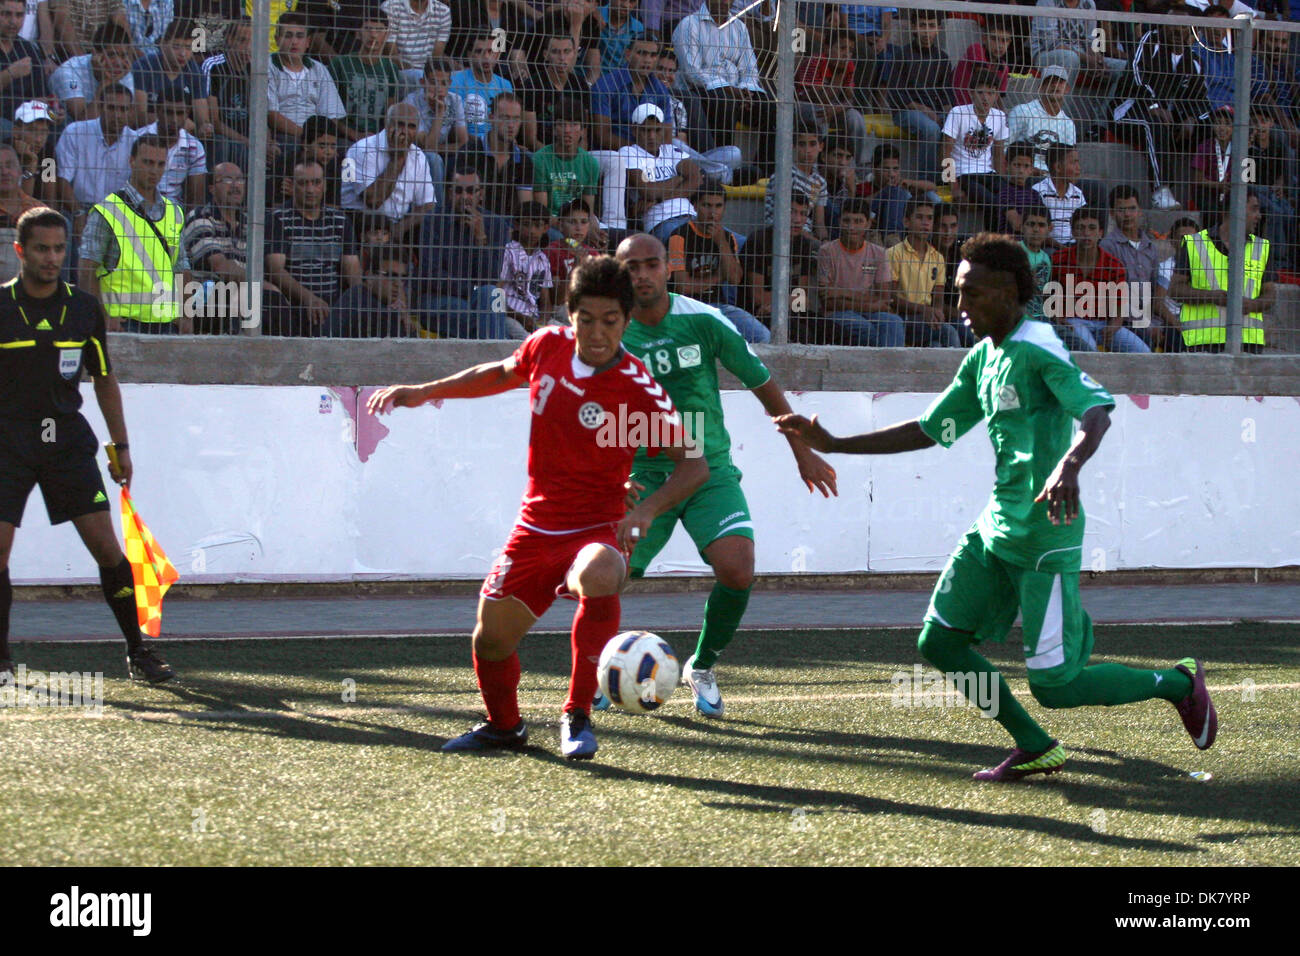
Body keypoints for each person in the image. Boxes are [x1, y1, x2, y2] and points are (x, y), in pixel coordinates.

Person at [776, 232, 1219, 782]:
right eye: (958, 294)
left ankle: (1176, 683)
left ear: (1009, 292)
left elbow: (1097, 412)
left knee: (1055, 687)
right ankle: (1034, 744)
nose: (960, 307)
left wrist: (1069, 466)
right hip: (995, 529)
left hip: (1044, 538)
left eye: (972, 294)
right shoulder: (983, 357)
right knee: (938, 640)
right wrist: (836, 442)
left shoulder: (1038, 347)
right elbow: (930, 429)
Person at [367, 255, 710, 759]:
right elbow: (500, 373)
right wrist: (423, 392)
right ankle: (504, 727)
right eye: (586, 319)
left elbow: (694, 465)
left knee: (600, 570)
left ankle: (577, 715)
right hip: (536, 524)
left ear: (626, 321)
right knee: (490, 640)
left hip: (597, 526)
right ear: (569, 315)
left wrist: (645, 511)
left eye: (610, 322)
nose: (597, 333)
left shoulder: (637, 388)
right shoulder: (546, 346)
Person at [612, 233, 837, 715]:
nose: (642, 275)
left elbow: (765, 388)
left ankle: (702, 665)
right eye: (632, 267)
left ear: (668, 267)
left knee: (738, 569)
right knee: (609, 575)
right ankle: (601, 669)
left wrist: (801, 452)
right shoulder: (610, 331)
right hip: (644, 473)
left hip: (709, 470)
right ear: (619, 272)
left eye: (651, 264)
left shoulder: (704, 320)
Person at [0, 207, 177, 683]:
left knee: (106, 548)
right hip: (7, 446)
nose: (52, 258)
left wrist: (121, 445)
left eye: (59, 248)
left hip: (66, 444)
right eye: (41, 248)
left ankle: (140, 652)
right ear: (20, 251)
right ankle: (2, 660)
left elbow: (103, 378)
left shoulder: (83, 308)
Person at [78, 133, 192, 334]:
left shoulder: (174, 212)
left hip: (166, 323)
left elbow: (181, 267)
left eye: (159, 164)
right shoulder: (107, 211)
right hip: (122, 323)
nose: (154, 170)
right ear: (131, 161)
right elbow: (86, 269)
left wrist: (186, 315)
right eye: (147, 162)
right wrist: (102, 316)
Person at [1112, 7, 1211, 211]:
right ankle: (1160, 190)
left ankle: (1208, 196)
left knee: (1209, 125)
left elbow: (1198, 98)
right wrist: (1153, 104)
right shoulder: (1150, 41)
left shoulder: (1194, 61)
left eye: (1183, 28)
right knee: (1153, 125)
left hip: (1167, 116)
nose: (1176, 31)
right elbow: (1135, 75)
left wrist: (1191, 118)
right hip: (1129, 109)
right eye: (1171, 26)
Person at [673, 0, 775, 172]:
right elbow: (692, 72)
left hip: (737, 91)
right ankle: (724, 168)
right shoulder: (689, 25)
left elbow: (750, 68)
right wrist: (727, 88)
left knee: (769, 104)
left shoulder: (740, 28)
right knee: (724, 100)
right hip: (702, 91)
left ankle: (764, 170)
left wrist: (745, 90)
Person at [265, 159, 361, 336]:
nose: (310, 190)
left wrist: (358, 300)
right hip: (294, 303)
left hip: (334, 304)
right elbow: (275, 270)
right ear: (292, 186)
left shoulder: (340, 221)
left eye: (316, 183)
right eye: (303, 183)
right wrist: (308, 298)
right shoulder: (278, 219)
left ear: (324, 186)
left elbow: (353, 272)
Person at [1169, 193, 1273, 353]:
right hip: (1203, 342)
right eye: (1254, 209)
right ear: (1235, 210)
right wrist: (1212, 297)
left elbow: (1270, 295)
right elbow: (1175, 290)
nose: (1259, 216)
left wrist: (1253, 305)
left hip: (1248, 343)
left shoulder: (1261, 248)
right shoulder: (1194, 244)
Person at [415, 165, 510, 338]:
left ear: (480, 194)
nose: (465, 197)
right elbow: (430, 275)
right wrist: (471, 289)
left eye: (471, 191)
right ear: (449, 192)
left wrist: (480, 237)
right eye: (459, 191)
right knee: (477, 315)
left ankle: (489, 354)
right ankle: (497, 353)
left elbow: (494, 277)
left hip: (480, 298)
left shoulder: (496, 225)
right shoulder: (433, 221)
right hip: (440, 298)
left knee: (492, 296)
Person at [665, 182, 767, 343]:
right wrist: (719, 277)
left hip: (718, 307)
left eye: (718, 206)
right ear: (696, 206)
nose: (713, 213)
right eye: (707, 205)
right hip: (686, 308)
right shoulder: (680, 236)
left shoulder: (727, 238)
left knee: (763, 337)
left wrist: (720, 243)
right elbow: (683, 286)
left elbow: (734, 279)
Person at [1050, 207, 1151, 352]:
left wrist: (1115, 324)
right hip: (1073, 321)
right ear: (1072, 232)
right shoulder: (1058, 260)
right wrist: (1056, 316)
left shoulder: (1114, 265)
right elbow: (1047, 295)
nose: (1086, 234)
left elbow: (1120, 305)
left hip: (1104, 323)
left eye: (1092, 228)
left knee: (1143, 353)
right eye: (1080, 228)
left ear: (1100, 233)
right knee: (1090, 351)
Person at [341, 102, 435, 245]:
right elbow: (373, 201)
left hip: (397, 224)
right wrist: (398, 159)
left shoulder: (419, 156)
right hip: (360, 222)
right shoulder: (359, 150)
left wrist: (399, 230)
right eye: (400, 124)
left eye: (411, 127)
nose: (404, 131)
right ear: (387, 123)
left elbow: (428, 204)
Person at [55, 81, 139, 237]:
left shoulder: (137, 141)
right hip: (80, 207)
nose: (118, 115)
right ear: (100, 106)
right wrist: (79, 213)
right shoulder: (75, 132)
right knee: (64, 225)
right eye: (112, 108)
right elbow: (62, 179)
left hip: (120, 212)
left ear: (131, 111)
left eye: (123, 109)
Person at [1100, 184, 1178, 351]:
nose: (1127, 215)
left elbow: (1154, 292)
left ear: (1140, 211)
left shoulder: (1150, 247)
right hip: (1124, 319)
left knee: (1179, 341)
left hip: (1149, 318)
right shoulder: (1108, 246)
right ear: (1112, 213)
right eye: (1121, 210)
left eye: (1132, 208)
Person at [818, 197, 905, 347]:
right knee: (866, 329)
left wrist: (841, 292)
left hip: (867, 311)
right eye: (847, 221)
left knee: (894, 322)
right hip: (839, 314)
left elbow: (884, 299)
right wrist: (870, 303)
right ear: (839, 221)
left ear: (868, 224)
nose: (851, 227)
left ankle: (892, 369)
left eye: (858, 221)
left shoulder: (878, 253)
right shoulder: (827, 251)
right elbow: (827, 301)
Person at [881, 8, 952, 184]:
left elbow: (946, 94)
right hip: (906, 112)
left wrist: (950, 116)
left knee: (956, 126)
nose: (926, 31)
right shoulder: (902, 54)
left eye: (931, 26)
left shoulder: (942, 58)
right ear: (913, 27)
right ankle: (926, 181)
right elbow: (896, 94)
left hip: (934, 112)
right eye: (922, 25)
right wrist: (923, 110)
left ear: (938, 28)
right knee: (930, 129)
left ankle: (950, 180)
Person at [742, 190, 820, 337]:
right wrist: (790, 299)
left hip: (788, 311)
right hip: (758, 313)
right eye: (792, 212)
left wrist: (778, 303)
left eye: (803, 214)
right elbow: (757, 297)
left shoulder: (804, 245)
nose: (797, 219)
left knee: (834, 330)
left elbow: (803, 299)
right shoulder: (759, 241)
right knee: (800, 333)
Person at [942, 68, 1008, 232]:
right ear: (971, 93)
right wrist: (954, 186)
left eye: (991, 93)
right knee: (991, 203)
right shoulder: (958, 113)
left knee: (1011, 198)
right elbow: (945, 152)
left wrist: (1002, 180)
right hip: (964, 174)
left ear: (997, 95)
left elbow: (999, 155)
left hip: (988, 173)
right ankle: (991, 243)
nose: (985, 98)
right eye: (980, 92)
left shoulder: (999, 116)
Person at [888, 198, 960, 348]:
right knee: (949, 333)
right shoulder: (894, 253)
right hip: (903, 318)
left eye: (930, 218)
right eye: (919, 217)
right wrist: (925, 310)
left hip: (925, 319)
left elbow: (938, 297)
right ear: (906, 222)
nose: (925, 223)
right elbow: (891, 298)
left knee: (936, 346)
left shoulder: (937, 257)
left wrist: (937, 315)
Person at [328, 6, 403, 143]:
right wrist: (353, 134)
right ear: (358, 33)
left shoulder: (390, 68)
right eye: (368, 29)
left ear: (386, 35)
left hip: (378, 137)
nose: (373, 34)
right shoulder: (340, 63)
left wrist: (380, 137)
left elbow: (390, 112)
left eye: (379, 30)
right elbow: (328, 109)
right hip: (343, 136)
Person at [50, 20, 135, 122]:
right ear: (95, 53)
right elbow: (83, 123)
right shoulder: (69, 71)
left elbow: (128, 120)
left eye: (123, 56)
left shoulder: (124, 72)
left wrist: (111, 81)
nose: (118, 63)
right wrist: (106, 81)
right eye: (112, 55)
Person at [328, 244, 419, 337]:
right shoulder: (375, 312)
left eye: (402, 277)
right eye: (391, 275)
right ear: (369, 276)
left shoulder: (356, 293)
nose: (398, 283)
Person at [139, 89, 208, 210]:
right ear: (158, 111)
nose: (174, 119)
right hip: (138, 209)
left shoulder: (195, 147)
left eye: (180, 113)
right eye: (169, 112)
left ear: (187, 113)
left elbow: (196, 199)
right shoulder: (138, 139)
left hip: (173, 215)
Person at [1006, 64, 1077, 176]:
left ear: (1067, 89)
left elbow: (1069, 159)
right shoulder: (1022, 112)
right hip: (1024, 175)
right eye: (1050, 81)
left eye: (1060, 82)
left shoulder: (1068, 124)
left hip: (1054, 179)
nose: (1055, 85)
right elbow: (1006, 148)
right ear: (1040, 87)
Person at [499, 199, 553, 335]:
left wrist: (542, 322)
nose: (531, 231)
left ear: (545, 228)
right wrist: (520, 317)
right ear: (516, 225)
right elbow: (496, 294)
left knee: (564, 335)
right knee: (526, 340)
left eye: (537, 225)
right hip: (509, 316)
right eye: (526, 225)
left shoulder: (543, 260)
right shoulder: (508, 252)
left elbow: (546, 302)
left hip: (534, 317)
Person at [1031, 143, 1085, 249]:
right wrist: (1063, 248)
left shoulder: (1078, 194)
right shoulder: (1038, 191)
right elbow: (1036, 230)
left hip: (1075, 246)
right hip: (1049, 246)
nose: (1078, 168)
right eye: (1074, 163)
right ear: (1058, 167)